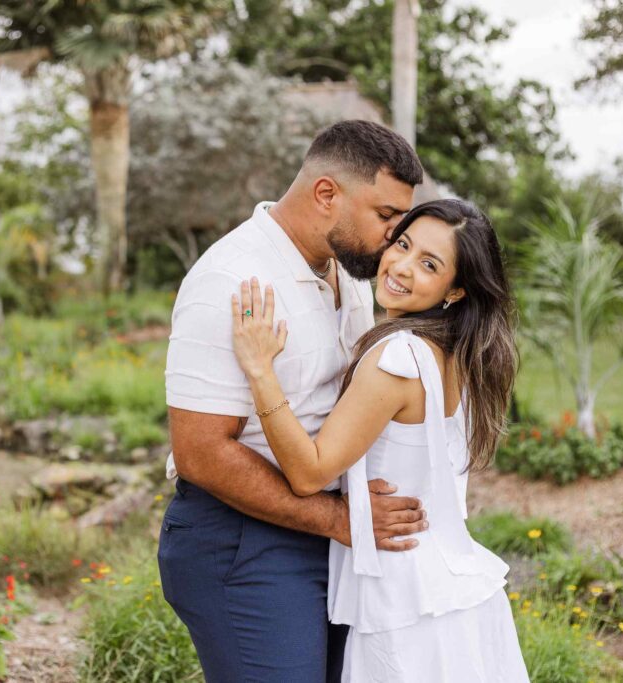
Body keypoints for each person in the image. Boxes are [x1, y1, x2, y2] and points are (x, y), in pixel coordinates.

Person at [158, 120, 429, 682]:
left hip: (323, 533)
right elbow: (201, 453)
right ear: (326, 193)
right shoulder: (233, 278)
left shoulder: (346, 272)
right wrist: (338, 518)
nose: (392, 238)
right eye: (385, 217)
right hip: (242, 540)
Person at [230, 198, 530, 681]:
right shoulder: (462, 356)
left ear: (455, 290)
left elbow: (309, 472)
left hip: (403, 602)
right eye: (404, 245)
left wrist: (260, 370)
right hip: (452, 591)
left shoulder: (398, 357)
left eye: (429, 264)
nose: (401, 266)